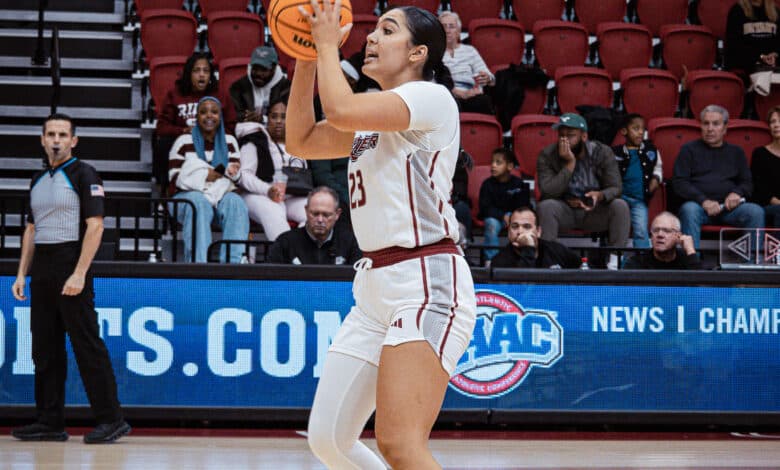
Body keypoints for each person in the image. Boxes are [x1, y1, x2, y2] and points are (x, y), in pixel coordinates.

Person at [287, 3, 477, 469]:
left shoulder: (433, 99)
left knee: (400, 444)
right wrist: (306, 56)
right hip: (374, 288)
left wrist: (328, 45)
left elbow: (340, 107)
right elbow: (301, 141)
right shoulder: (369, 122)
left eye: (386, 31)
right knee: (329, 440)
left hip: (426, 282)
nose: (370, 38)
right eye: (372, 30)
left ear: (417, 53)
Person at [11, 114, 130, 443]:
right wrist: (22, 273)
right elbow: (32, 229)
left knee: (86, 344)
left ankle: (111, 419)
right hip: (43, 268)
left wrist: (79, 272)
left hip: (70, 262)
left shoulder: (84, 173)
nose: (56, 140)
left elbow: (96, 226)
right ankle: (49, 421)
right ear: (42, 139)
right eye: (51, 134)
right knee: (44, 348)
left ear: (74, 140)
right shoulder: (37, 178)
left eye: (63, 134)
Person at [536, 113, 630, 269]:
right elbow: (547, 191)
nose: (564, 140)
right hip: (565, 209)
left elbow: (616, 187)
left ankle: (615, 261)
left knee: (620, 206)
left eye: (570, 135)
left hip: (594, 211)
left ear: (584, 136)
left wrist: (599, 196)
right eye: (561, 135)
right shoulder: (547, 155)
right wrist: (569, 164)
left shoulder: (602, 152)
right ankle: (551, 262)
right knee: (546, 207)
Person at [168, 96, 249, 263]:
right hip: (186, 198)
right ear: (196, 117)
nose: (209, 116)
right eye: (203, 112)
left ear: (221, 117)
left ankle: (232, 264)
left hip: (219, 196)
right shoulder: (183, 141)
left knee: (236, 202)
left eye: (214, 112)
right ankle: (199, 265)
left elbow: (233, 176)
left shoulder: (230, 141)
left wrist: (229, 173)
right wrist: (207, 176)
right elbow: (175, 178)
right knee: (198, 203)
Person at [672, 105, 765, 249]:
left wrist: (737, 193)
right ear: (700, 126)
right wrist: (704, 201)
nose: (710, 128)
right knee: (689, 210)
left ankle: (752, 266)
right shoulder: (688, 150)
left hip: (729, 209)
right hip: (699, 207)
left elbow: (747, 182)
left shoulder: (736, 152)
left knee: (755, 211)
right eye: (706, 123)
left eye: (715, 124)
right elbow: (679, 182)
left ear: (725, 128)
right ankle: (691, 263)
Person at [154, 53, 234, 194]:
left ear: (211, 75)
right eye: (197, 71)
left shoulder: (220, 95)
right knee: (163, 143)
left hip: (212, 141)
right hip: (185, 142)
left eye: (206, 71)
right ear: (188, 74)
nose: (202, 75)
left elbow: (231, 126)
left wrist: (212, 133)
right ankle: (165, 190)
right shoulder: (175, 94)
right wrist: (183, 130)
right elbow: (161, 128)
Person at [236, 90, 307, 241]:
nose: (279, 121)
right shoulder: (255, 139)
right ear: (267, 120)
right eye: (274, 116)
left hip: (292, 195)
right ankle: (287, 259)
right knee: (274, 210)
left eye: (284, 117)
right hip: (258, 195)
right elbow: (243, 176)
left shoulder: (298, 143)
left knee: (315, 211)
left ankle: (304, 258)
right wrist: (267, 190)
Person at [267, 186, 361, 264]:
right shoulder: (285, 243)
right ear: (306, 211)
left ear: (337, 214)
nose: (320, 220)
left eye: (326, 215)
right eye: (315, 214)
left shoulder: (350, 243)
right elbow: (270, 282)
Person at [612, 113, 663, 248]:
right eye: (636, 128)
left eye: (643, 129)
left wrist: (656, 179)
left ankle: (642, 260)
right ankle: (615, 259)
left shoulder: (651, 150)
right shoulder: (615, 152)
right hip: (619, 199)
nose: (640, 132)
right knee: (617, 229)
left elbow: (658, 168)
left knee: (641, 230)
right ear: (624, 131)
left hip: (639, 200)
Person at [478, 147, 530, 261]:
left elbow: (524, 206)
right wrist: (503, 216)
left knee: (522, 224)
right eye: (492, 162)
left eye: (498, 162)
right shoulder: (487, 184)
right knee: (491, 224)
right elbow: (485, 208)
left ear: (510, 166)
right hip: (496, 218)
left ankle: (521, 259)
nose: (493, 165)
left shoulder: (518, 183)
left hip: (515, 217)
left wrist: (512, 217)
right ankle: (491, 260)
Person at [438, 11, 495, 114]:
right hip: (446, 94)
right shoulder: (434, 52)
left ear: (459, 31)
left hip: (471, 94)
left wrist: (487, 78)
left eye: (451, 26)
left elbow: (491, 78)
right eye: (443, 26)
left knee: (483, 101)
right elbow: (431, 81)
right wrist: (458, 93)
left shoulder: (470, 51)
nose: (447, 30)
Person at [491, 207, 581, 268]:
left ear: (538, 232)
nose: (520, 232)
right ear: (508, 231)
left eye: (526, 227)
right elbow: (522, 289)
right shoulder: (499, 261)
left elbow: (584, 270)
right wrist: (528, 249)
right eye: (515, 226)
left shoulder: (557, 250)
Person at [229, 45, 291, 124]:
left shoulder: (286, 88)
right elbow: (236, 116)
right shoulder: (238, 87)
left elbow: (287, 118)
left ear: (274, 69)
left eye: (264, 69)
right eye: (255, 68)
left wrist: (263, 119)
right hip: (248, 130)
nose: (258, 73)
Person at [623, 212, 702, 269]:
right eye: (656, 230)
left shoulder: (687, 261)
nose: (660, 234)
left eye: (667, 231)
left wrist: (690, 250)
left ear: (678, 236)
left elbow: (702, 288)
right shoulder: (636, 263)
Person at [725, 0, 780, 76]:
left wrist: (775, 54)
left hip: (773, 67)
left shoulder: (775, 11)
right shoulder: (737, 10)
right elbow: (734, 47)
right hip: (747, 67)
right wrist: (760, 57)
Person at [751, 105, 780, 227]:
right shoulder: (760, 154)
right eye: (773, 121)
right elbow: (758, 187)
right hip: (769, 206)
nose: (776, 125)